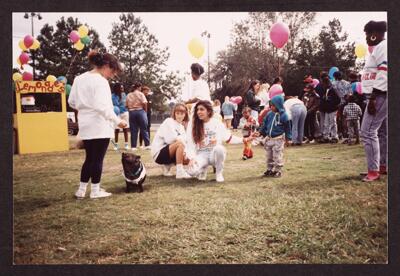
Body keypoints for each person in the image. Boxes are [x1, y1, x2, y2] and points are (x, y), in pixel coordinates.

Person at [68, 50, 126, 199]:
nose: (112, 75)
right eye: (113, 71)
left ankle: (81, 190)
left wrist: (85, 108)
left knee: (89, 158)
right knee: (98, 159)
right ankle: (95, 191)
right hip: (100, 125)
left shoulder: (79, 79)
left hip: (85, 124)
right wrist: (118, 121)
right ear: (106, 65)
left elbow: (71, 102)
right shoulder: (101, 81)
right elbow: (103, 107)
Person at [185, 100, 244, 182]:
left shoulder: (217, 123)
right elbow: (190, 144)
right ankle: (202, 169)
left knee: (219, 149)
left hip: (213, 154)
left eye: (201, 109)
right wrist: (192, 158)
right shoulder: (193, 124)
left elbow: (228, 138)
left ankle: (219, 173)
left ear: (209, 111)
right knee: (191, 171)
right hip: (201, 155)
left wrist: (243, 140)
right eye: (197, 110)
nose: (198, 112)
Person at [360, 20, 387, 182]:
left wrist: (374, 97)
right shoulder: (380, 48)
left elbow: (384, 73)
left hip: (379, 95)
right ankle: (382, 166)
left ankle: (373, 171)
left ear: (374, 35)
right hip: (380, 95)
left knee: (367, 132)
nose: (366, 38)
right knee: (382, 132)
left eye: (367, 35)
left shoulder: (383, 47)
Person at [151, 103, 192, 179]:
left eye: (182, 113)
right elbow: (170, 139)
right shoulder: (169, 121)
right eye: (177, 113)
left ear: (185, 114)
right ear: (174, 114)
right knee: (180, 144)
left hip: (168, 151)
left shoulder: (181, 127)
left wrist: (187, 155)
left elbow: (186, 142)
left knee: (188, 159)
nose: (180, 116)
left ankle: (167, 167)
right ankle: (179, 172)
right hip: (158, 153)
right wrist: (184, 150)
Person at [257, 95, 292, 178]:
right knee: (269, 155)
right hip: (269, 139)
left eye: (273, 105)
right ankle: (270, 169)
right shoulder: (269, 114)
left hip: (278, 139)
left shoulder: (284, 116)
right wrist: (260, 132)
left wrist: (288, 138)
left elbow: (288, 128)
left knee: (277, 155)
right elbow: (265, 125)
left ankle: (278, 170)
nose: (271, 107)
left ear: (278, 105)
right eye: (270, 105)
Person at [126, 82, 150, 151]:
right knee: (144, 128)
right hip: (140, 111)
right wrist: (145, 112)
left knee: (133, 130)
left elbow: (126, 105)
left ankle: (133, 146)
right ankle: (147, 145)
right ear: (138, 87)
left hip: (132, 112)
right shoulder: (141, 94)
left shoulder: (129, 95)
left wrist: (131, 111)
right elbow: (145, 103)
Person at [319, 75, 341, 143]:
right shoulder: (326, 90)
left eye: (323, 83)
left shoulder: (332, 90)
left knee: (333, 123)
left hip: (332, 109)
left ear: (327, 83)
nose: (323, 85)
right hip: (327, 110)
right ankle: (326, 136)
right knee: (326, 123)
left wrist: (331, 103)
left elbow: (338, 99)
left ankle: (335, 137)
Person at [332, 71, 353, 141]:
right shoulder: (347, 83)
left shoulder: (333, 84)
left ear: (335, 77)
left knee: (338, 119)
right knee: (346, 119)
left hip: (337, 104)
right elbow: (350, 94)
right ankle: (347, 134)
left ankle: (340, 134)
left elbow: (333, 95)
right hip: (347, 103)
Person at [111, 82, 130, 150]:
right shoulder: (113, 96)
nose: (122, 89)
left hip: (125, 113)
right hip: (117, 113)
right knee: (117, 129)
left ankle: (126, 144)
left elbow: (126, 103)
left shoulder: (124, 94)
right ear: (117, 88)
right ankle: (116, 145)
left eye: (123, 88)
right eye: (121, 88)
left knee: (125, 129)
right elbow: (116, 104)